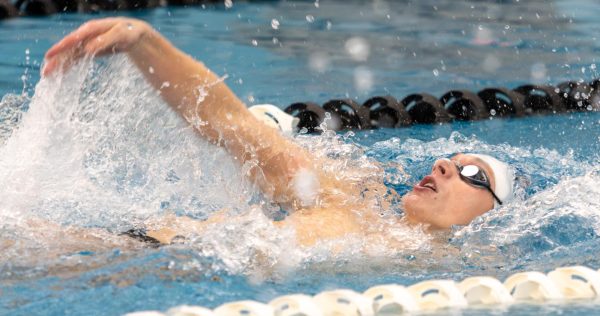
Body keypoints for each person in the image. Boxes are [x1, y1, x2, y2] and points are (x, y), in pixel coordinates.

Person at [42, 17, 515, 248]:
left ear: (491, 216)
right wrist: (142, 40)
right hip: (124, 251)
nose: (445, 164)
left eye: (472, 171)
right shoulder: (350, 198)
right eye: (452, 160)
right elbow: (232, 125)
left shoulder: (470, 273)